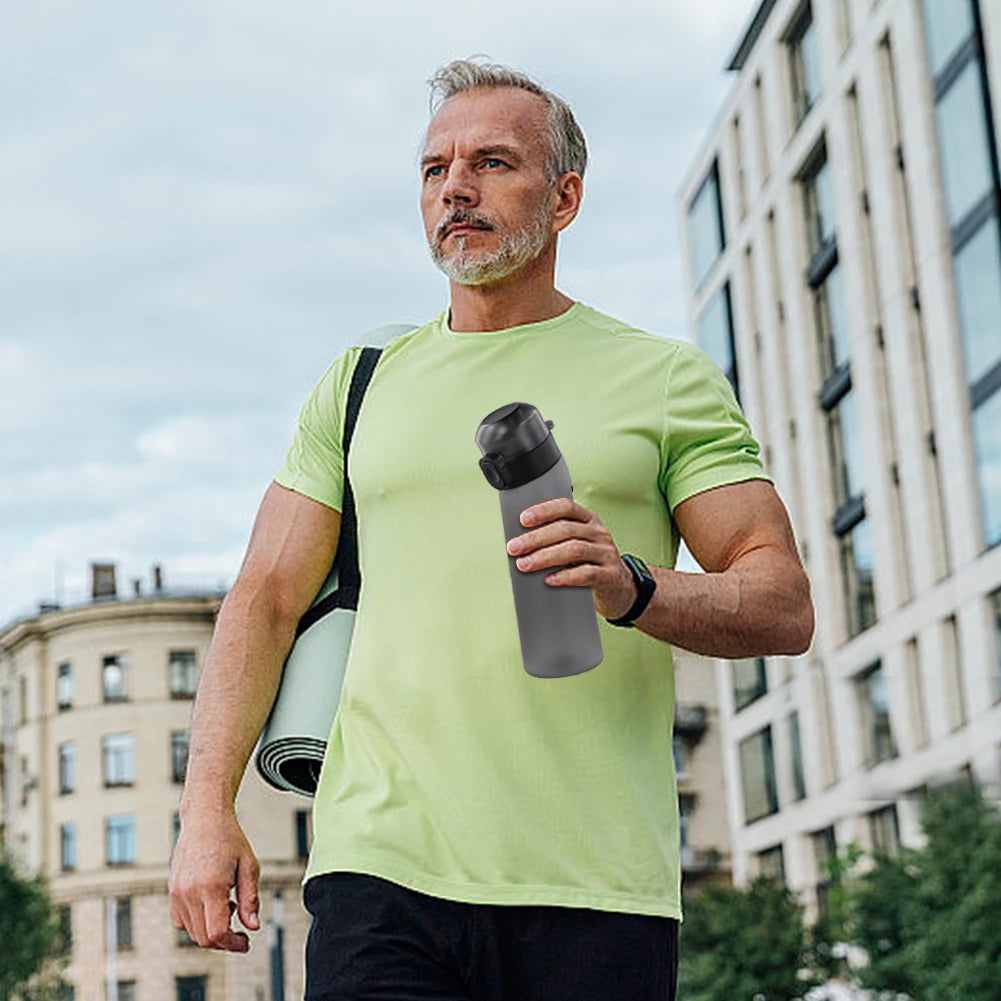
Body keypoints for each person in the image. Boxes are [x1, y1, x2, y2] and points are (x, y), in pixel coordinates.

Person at [168, 58, 814, 1000]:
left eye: (492, 163)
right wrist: (204, 812)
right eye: (435, 169)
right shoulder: (358, 382)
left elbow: (781, 601)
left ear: (564, 198)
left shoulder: (663, 378)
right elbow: (263, 601)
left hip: (592, 881)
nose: (455, 188)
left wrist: (630, 583)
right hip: (379, 871)